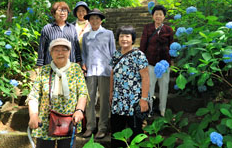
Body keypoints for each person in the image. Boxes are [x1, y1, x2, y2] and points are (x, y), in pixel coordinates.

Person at [27, 38, 88, 148]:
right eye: (56, 50)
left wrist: (79, 110)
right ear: (50, 53)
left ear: (69, 52)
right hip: (45, 121)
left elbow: (83, 93)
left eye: (64, 49)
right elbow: (34, 96)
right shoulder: (45, 70)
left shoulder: (76, 69)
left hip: (69, 121)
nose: (60, 53)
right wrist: (33, 115)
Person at [110, 25, 150, 148]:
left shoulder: (139, 55)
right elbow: (112, 75)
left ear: (132, 39)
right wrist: (111, 93)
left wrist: (144, 99)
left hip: (134, 100)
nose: (124, 39)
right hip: (118, 100)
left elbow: (145, 78)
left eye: (127, 36)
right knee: (117, 132)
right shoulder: (116, 55)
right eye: (121, 36)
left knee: (136, 132)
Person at [81, 9, 116, 139]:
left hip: (105, 70)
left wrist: (113, 68)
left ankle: (103, 127)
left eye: (97, 18)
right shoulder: (86, 36)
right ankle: (90, 127)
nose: (94, 21)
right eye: (92, 18)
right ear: (88, 21)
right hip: (90, 71)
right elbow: (84, 53)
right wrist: (84, 65)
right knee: (89, 99)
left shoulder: (108, 33)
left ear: (101, 20)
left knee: (104, 100)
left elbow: (113, 52)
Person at [139, 5, 173, 117]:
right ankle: (149, 109)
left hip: (164, 64)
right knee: (149, 87)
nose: (158, 16)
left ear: (164, 17)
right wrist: (141, 61)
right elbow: (143, 44)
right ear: (153, 16)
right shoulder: (147, 28)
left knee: (164, 87)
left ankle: (162, 109)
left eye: (160, 14)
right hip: (150, 62)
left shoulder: (168, 30)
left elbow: (172, 46)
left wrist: (171, 61)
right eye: (156, 14)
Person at [37, 1, 81, 66]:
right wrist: (40, 65)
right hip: (51, 67)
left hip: (70, 67)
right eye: (60, 10)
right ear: (54, 14)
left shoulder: (72, 28)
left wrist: (78, 62)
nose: (62, 13)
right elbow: (42, 49)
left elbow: (76, 48)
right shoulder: (47, 28)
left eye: (65, 10)